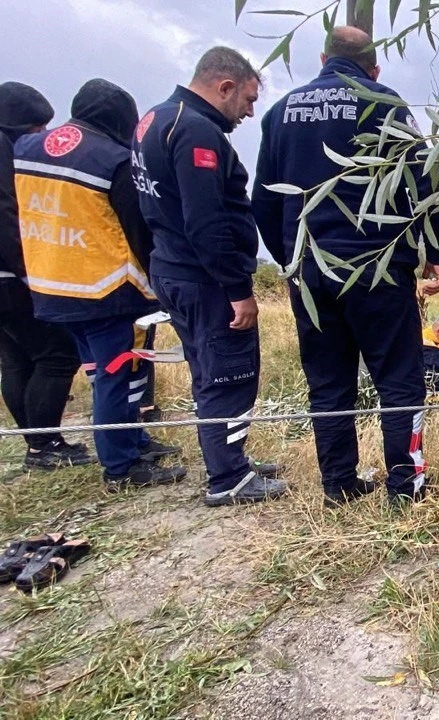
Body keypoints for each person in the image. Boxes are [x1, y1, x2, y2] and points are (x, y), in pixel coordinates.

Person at [252, 27, 439, 506]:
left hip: (311, 271)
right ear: (374, 68)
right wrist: (437, 252)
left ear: (323, 58)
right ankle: (406, 488)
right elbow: (423, 180)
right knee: (399, 381)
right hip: (377, 269)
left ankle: (338, 485)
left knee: (329, 382)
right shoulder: (386, 103)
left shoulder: (281, 112)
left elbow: (262, 199)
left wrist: (290, 260)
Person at [13, 79, 184, 491]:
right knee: (115, 375)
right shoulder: (113, 160)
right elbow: (137, 229)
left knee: (98, 372)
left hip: (51, 283)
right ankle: (121, 467)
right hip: (104, 288)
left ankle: (132, 438)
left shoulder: (26, 148)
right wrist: (159, 277)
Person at [133, 47, 286, 507]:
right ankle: (228, 479)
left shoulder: (156, 119)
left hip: (173, 268)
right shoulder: (197, 131)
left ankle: (229, 459)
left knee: (206, 370)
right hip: (204, 279)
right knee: (229, 374)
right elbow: (206, 220)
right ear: (225, 86)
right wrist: (238, 290)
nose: (249, 111)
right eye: (247, 98)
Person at [0, 82, 91, 470]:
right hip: (8, 275)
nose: (40, 137)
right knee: (57, 352)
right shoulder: (4, 153)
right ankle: (45, 445)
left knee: (17, 357)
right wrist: (29, 268)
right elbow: (7, 213)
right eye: (36, 129)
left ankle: (36, 443)